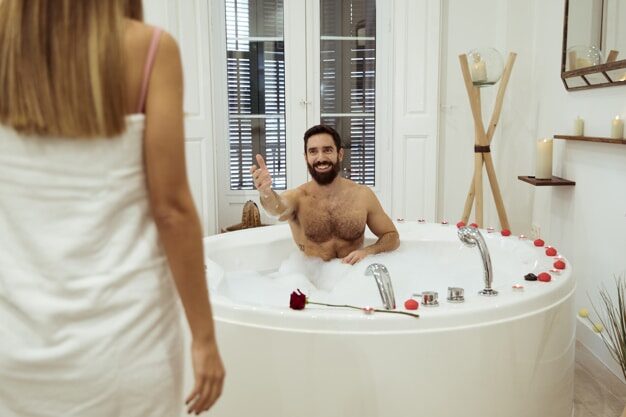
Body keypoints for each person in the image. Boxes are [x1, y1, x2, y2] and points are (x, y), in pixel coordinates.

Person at [0, 1, 224, 416]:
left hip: (16, 347)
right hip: (126, 344)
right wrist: (205, 339)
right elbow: (171, 210)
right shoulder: (150, 49)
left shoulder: (9, 48)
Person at [250, 124, 399, 264]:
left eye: (327, 150)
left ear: (340, 154)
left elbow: (392, 236)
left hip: (353, 276)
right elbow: (276, 209)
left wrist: (369, 251)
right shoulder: (298, 198)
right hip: (311, 282)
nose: (320, 158)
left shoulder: (362, 195)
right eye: (313, 151)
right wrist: (266, 193)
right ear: (306, 157)